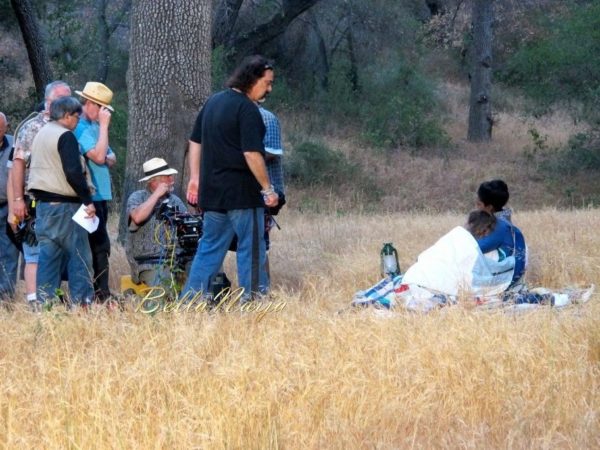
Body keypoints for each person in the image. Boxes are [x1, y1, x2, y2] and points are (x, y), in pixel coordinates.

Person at [183, 55, 279, 301]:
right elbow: (251, 153)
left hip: (213, 195)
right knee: (252, 249)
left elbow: (194, 141)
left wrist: (195, 178)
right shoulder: (248, 109)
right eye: (267, 83)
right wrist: (268, 189)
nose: (269, 89)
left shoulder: (213, 102)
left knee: (208, 249)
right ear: (252, 79)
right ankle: (254, 302)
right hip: (243, 195)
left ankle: (190, 303)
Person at [28, 96, 96, 307]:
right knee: (80, 256)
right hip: (66, 207)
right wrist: (88, 201)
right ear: (67, 116)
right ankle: (82, 304)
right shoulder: (65, 136)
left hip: (43, 207)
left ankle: (45, 306)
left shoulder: (41, 134)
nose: (78, 120)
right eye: (76, 116)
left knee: (48, 259)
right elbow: (73, 172)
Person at [9, 80, 72, 306]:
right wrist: (17, 200)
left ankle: (51, 298)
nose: (68, 104)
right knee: (34, 253)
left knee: (57, 252)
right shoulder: (32, 128)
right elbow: (17, 165)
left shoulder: (70, 126)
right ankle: (35, 301)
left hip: (63, 202)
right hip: (35, 201)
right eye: (63, 99)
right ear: (49, 102)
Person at [74, 81, 117, 302]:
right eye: (102, 108)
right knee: (97, 245)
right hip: (90, 196)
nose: (104, 113)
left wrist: (104, 153)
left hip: (102, 196)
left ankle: (101, 291)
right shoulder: (81, 127)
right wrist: (104, 127)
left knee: (101, 244)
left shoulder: (93, 127)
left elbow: (112, 157)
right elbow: (101, 157)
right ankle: (100, 294)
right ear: (89, 103)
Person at [126, 157, 187, 286]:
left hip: (177, 259)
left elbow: (186, 224)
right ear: (153, 181)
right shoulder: (138, 197)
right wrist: (156, 195)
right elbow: (137, 217)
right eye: (167, 177)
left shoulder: (175, 200)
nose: (172, 180)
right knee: (165, 287)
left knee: (207, 272)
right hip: (149, 262)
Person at [475, 179, 527, 287]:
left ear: (489, 207)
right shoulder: (503, 221)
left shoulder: (500, 227)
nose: (476, 207)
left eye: (479, 204)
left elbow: (475, 248)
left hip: (504, 280)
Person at [0, 112, 19, 299]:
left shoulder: (14, 143)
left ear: (6, 127)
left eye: (0, 127)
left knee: (9, 252)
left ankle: (5, 297)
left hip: (8, 205)